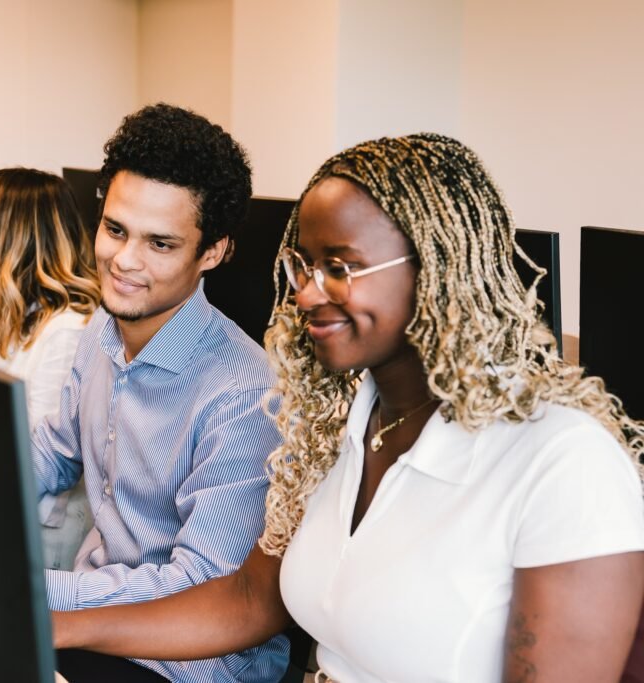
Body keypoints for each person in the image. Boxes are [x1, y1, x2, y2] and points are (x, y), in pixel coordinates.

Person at [51, 133, 644, 682]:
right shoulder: (341, 424)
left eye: (340, 267)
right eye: (303, 266)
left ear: (438, 268)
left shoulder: (563, 462)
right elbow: (250, 601)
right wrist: (60, 625)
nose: (306, 292)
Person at [34, 103, 289, 683]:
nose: (124, 261)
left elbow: (197, 585)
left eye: (161, 244)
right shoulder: (100, 331)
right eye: (115, 229)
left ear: (214, 251)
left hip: (185, 661)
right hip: (93, 620)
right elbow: (53, 450)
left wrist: (37, 592)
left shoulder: (246, 396)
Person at [0, 167, 101, 571]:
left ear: (16, 236)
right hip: (3, 504)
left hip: (45, 531)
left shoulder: (69, 331)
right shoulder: (8, 317)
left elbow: (44, 460)